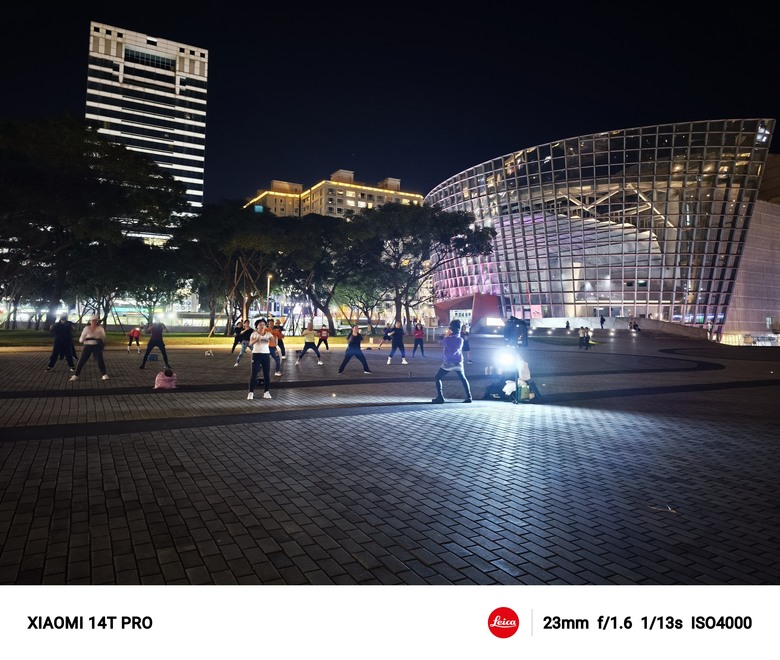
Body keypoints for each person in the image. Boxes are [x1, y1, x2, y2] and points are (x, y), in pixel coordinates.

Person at [431, 319, 472, 404]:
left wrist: (445, 336)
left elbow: (440, 343)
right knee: (463, 379)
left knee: (437, 377)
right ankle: (469, 397)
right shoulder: (461, 340)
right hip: (459, 362)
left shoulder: (447, 339)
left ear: (451, 329)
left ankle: (440, 397)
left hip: (448, 363)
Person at [69, 315, 109, 381]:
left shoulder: (100, 328)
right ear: (90, 321)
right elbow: (81, 339)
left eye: (95, 321)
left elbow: (103, 337)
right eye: (92, 321)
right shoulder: (86, 328)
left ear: (97, 321)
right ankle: (76, 375)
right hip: (87, 346)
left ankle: (104, 374)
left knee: (100, 360)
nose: (94, 322)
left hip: (96, 346)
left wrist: (100, 340)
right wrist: (84, 339)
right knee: (81, 360)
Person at [247, 319, 273, 400]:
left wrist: (274, 338)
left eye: (263, 325)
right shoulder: (254, 334)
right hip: (256, 355)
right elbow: (250, 343)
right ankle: (251, 392)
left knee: (266, 374)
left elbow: (274, 343)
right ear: (257, 326)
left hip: (266, 355)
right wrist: (256, 340)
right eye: (260, 325)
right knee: (254, 373)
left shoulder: (268, 334)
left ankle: (266, 392)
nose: (262, 326)